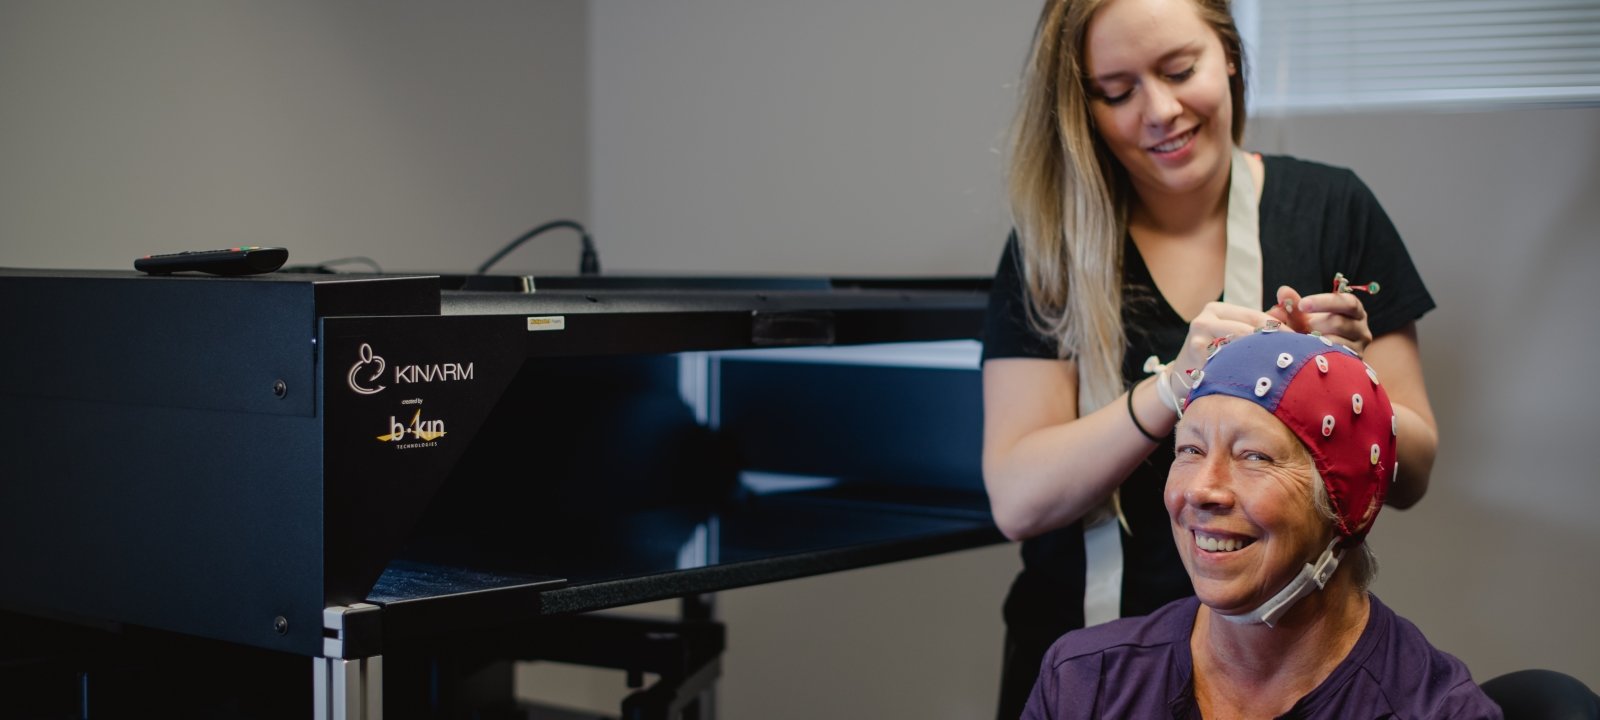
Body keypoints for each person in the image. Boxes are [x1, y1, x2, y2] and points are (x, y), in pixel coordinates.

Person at [980, 0, 1440, 716]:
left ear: (1228, 52)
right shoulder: (1050, 249)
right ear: (1083, 106)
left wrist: (1352, 385)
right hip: (1093, 676)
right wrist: (1172, 389)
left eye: (1179, 69)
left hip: (1290, 675)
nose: (1159, 110)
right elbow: (1017, 497)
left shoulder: (1331, 209)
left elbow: (1413, 472)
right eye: (1118, 90)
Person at [1021, 330, 1499, 718]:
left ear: (1347, 502)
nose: (1202, 490)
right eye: (1190, 450)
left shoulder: (1436, 710)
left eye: (1254, 456)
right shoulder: (1085, 684)